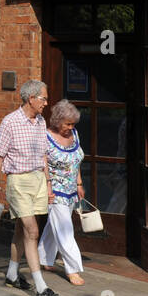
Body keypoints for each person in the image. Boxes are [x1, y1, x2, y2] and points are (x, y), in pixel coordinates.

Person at [0, 79, 58, 296]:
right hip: (18, 182)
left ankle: (12, 274)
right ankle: (40, 288)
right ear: (31, 98)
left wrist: (48, 184)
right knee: (32, 231)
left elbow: (44, 156)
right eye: (44, 98)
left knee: (21, 229)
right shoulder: (10, 122)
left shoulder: (40, 121)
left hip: (38, 180)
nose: (46, 103)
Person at [38, 99, 86, 285]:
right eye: (67, 123)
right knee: (65, 229)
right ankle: (72, 269)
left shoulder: (74, 133)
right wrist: (48, 189)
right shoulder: (46, 137)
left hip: (71, 190)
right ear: (57, 121)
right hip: (55, 191)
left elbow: (76, 160)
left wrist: (79, 183)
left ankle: (44, 258)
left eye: (73, 123)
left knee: (54, 225)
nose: (71, 127)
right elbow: (43, 166)